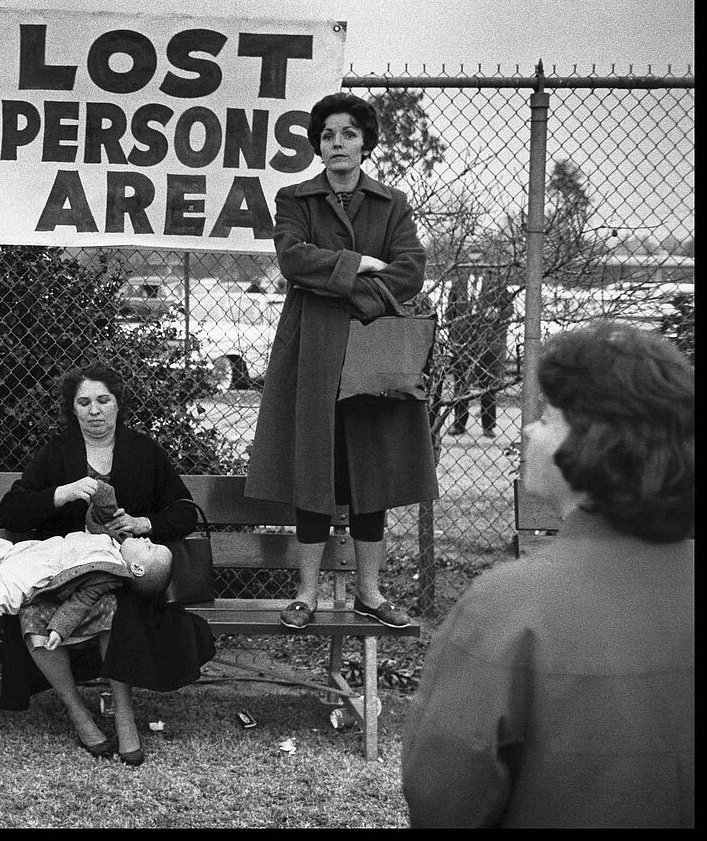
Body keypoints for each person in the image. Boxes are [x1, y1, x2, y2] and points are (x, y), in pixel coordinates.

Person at [402, 322, 694, 827]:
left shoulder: (508, 605)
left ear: (593, 444)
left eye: (546, 416)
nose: (528, 430)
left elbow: (444, 795)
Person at [245, 92, 437, 631]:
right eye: (328, 135)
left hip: (373, 350)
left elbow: (411, 269)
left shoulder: (391, 203)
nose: (337, 144)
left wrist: (353, 287)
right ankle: (305, 594)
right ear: (317, 145)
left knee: (369, 470)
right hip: (312, 352)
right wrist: (363, 265)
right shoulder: (294, 198)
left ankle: (370, 593)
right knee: (315, 470)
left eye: (348, 133)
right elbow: (293, 258)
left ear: (365, 142)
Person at [0, 364, 215, 766]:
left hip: (125, 575)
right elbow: (11, 510)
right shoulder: (58, 452)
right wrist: (61, 494)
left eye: (103, 400)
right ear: (73, 409)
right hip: (65, 571)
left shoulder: (142, 450)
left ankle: (125, 714)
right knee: (31, 613)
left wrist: (143, 523)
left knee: (116, 607)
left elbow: (183, 511)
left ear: (117, 405)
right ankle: (78, 712)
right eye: (84, 402)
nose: (94, 410)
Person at [0, 489, 175, 644]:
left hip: (34, 577)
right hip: (29, 552)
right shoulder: (112, 540)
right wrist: (103, 492)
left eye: (150, 547)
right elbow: (100, 516)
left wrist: (58, 630)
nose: (146, 539)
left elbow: (81, 601)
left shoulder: (108, 574)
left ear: (138, 569)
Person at [446, 250, 514, 438]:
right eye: (472, 259)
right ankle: (459, 424)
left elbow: (509, 308)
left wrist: (497, 312)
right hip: (463, 341)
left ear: (484, 261)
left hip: (487, 340)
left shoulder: (497, 282)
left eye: (479, 259)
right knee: (461, 383)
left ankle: (488, 425)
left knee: (487, 384)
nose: (476, 263)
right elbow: (449, 311)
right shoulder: (458, 281)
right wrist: (455, 333)